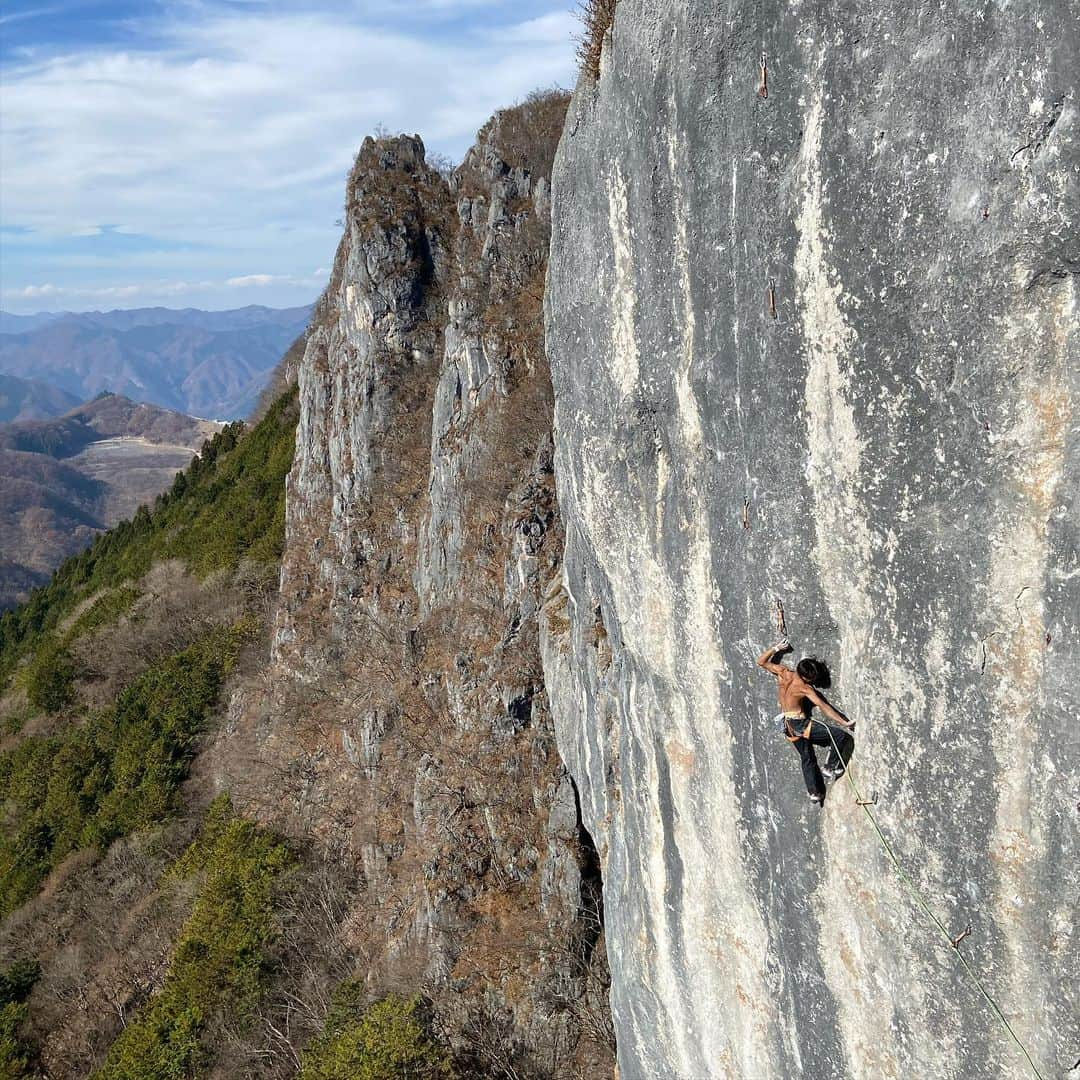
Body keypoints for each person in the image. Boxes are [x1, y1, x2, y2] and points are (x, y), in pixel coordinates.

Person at [757, 640, 855, 805]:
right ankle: (830, 767)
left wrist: (776, 649)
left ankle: (814, 793)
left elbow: (761, 661)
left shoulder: (783, 673)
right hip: (799, 724)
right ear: (806, 677)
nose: (813, 682)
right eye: (812, 679)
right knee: (839, 736)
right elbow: (824, 706)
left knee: (807, 757)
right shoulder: (805, 689)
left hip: (786, 725)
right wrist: (844, 722)